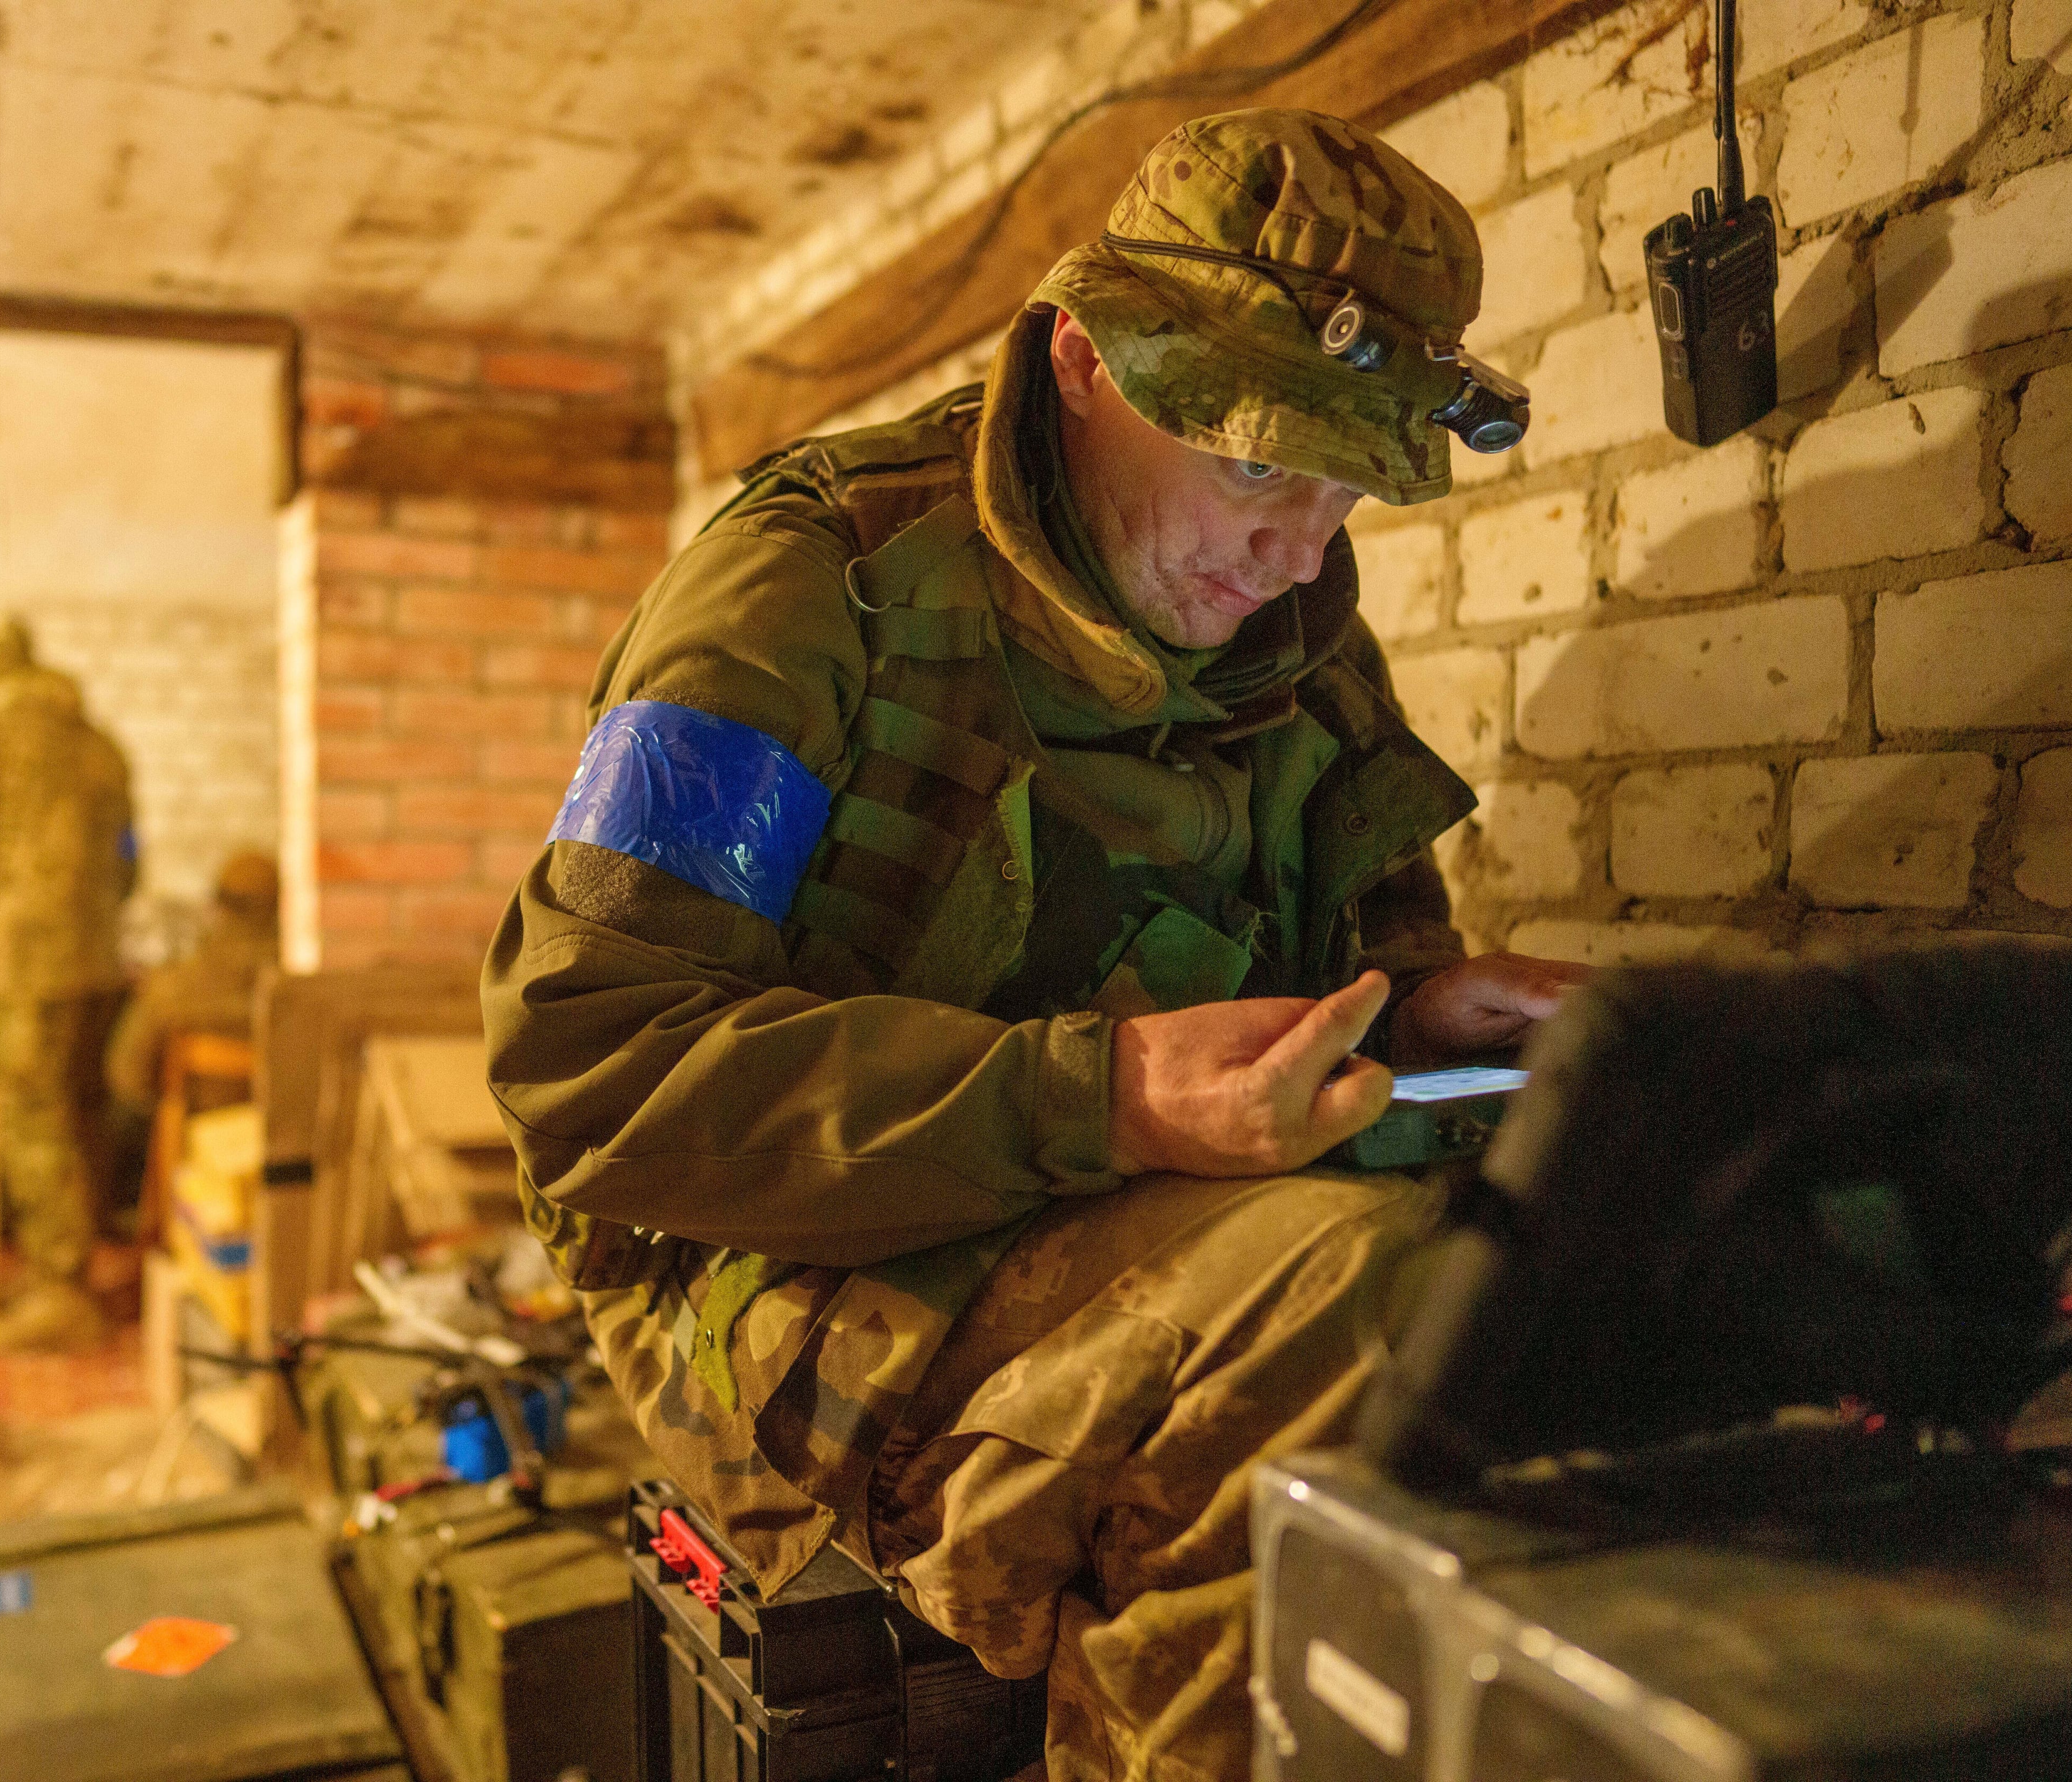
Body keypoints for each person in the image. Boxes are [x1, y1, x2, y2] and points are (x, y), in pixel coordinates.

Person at [484, 110, 1588, 1776]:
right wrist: (1111, 1096)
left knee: (1561, 1253)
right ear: (1083, 360)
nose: (1293, 544)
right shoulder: (808, 585)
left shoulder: (1290, 637)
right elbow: (591, 1073)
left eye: (1346, 486)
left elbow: (1355, 974)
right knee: (1350, 1301)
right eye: (1249, 462)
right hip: (767, 1262)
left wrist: (1427, 1016)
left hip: (1132, 1204)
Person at [0, 615, 135, 1353]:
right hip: (96, 962)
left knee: (30, 1123)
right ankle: (77, 1269)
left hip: (16, 966)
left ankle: (61, 1290)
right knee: (78, 1119)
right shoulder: (103, 748)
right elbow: (131, 868)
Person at [104, 848, 279, 1117]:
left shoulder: (173, 985)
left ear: (218, 904)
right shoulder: (297, 987)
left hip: (199, 1140)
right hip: (288, 1142)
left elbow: (127, 1076)